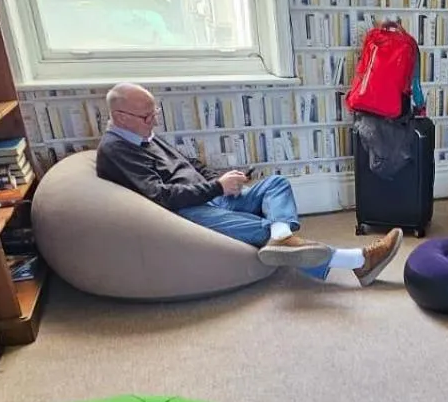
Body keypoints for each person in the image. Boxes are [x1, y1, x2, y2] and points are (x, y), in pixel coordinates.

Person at [95, 83, 402, 285]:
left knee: (276, 184)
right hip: (187, 212)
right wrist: (217, 188)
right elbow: (161, 196)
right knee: (262, 229)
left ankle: (283, 238)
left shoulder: (142, 134)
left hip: (210, 196)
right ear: (120, 117)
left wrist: (223, 177)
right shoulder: (117, 149)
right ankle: (358, 260)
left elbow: (188, 165)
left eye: (155, 112)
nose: (155, 121)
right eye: (147, 116)